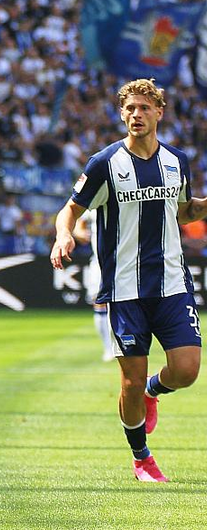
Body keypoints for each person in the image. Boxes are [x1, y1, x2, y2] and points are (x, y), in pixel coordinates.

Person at [51, 78, 207, 482]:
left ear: (159, 112)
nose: (136, 115)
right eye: (129, 109)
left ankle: (157, 390)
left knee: (187, 370)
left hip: (172, 284)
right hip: (124, 292)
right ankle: (142, 458)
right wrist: (64, 234)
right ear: (122, 114)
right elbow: (69, 210)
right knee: (130, 381)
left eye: (143, 108)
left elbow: (184, 211)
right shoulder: (104, 164)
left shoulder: (177, 160)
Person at [73, 210, 114, 362]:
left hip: (125, 262)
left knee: (119, 305)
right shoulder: (95, 199)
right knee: (99, 303)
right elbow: (79, 221)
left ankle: (120, 346)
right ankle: (107, 348)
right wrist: (80, 232)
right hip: (99, 262)